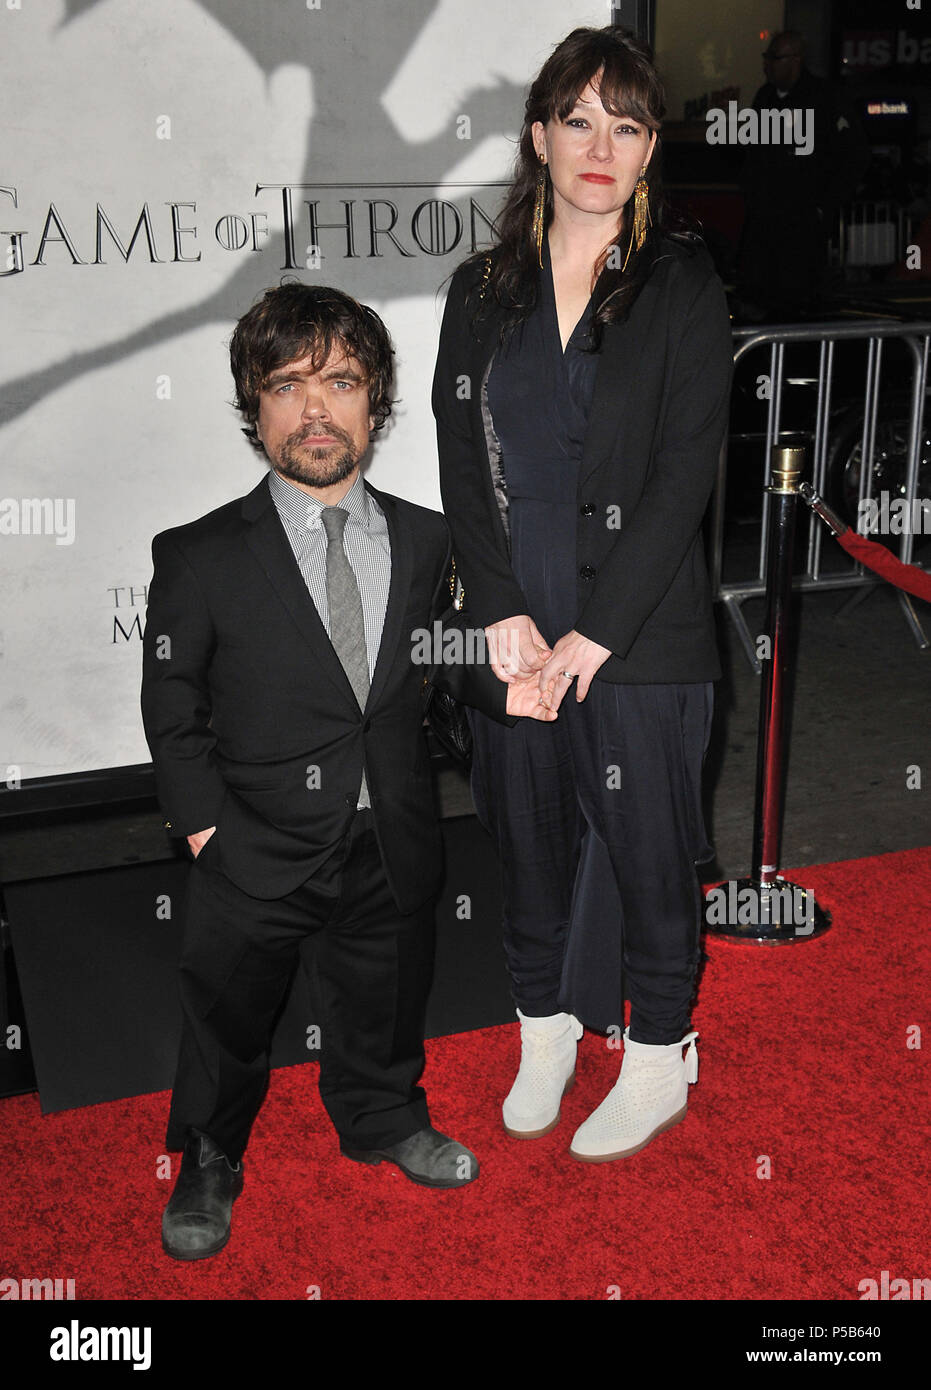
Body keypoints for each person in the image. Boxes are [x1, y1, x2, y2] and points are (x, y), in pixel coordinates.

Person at [141, 283, 553, 1261]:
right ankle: (207, 1154)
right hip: (253, 839)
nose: (315, 408)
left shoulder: (424, 539)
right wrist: (205, 829)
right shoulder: (197, 556)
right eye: (286, 386)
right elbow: (172, 700)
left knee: (385, 993)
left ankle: (381, 1117)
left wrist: (511, 694)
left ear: (376, 402)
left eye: (340, 382)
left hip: (390, 829)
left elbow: (439, 663)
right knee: (226, 1016)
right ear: (254, 406)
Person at [432, 25, 733, 1162]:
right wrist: (503, 609)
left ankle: (657, 1053)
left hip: (639, 623)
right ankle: (544, 1033)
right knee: (527, 834)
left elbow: (680, 476)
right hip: (512, 615)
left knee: (650, 847)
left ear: (651, 150)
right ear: (537, 136)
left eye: (628, 125)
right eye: (579, 120)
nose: (600, 145)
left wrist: (596, 636)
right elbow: (464, 458)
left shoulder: (683, 283)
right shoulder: (481, 287)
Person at [737, 30, 870, 319]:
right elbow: (754, 154)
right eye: (766, 57)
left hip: (803, 223)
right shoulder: (766, 97)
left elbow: (854, 155)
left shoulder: (825, 98)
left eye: (774, 57)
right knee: (758, 297)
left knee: (797, 302)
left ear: (795, 60)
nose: (767, 64)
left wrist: (825, 206)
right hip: (764, 222)